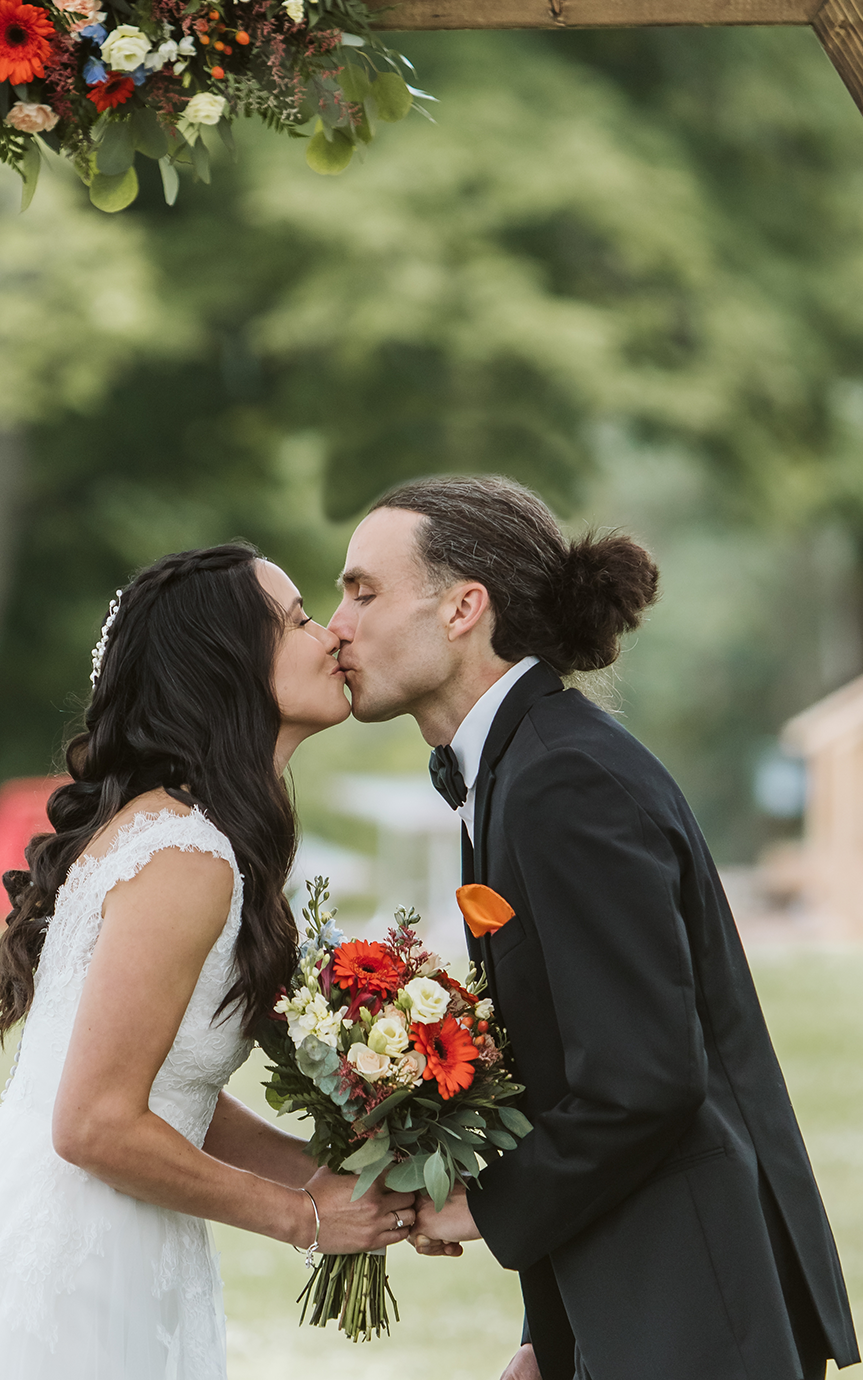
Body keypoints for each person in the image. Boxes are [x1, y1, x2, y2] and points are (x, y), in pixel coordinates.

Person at [328, 475, 859, 1380]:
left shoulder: (562, 781)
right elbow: (568, 1065)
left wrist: (484, 1205)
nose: (339, 623)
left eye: (362, 591)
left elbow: (643, 1079)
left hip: (693, 1308)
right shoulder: (514, 770)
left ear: (463, 608)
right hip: (635, 1300)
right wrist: (552, 1334)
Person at [0, 544, 415, 1380]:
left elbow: (169, 1094)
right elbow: (94, 1124)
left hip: (118, 1229)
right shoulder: (186, 857)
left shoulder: (205, 841)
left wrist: (338, 1186)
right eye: (299, 619)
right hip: (73, 1256)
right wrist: (303, 1219)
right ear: (226, 665)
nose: (331, 635)